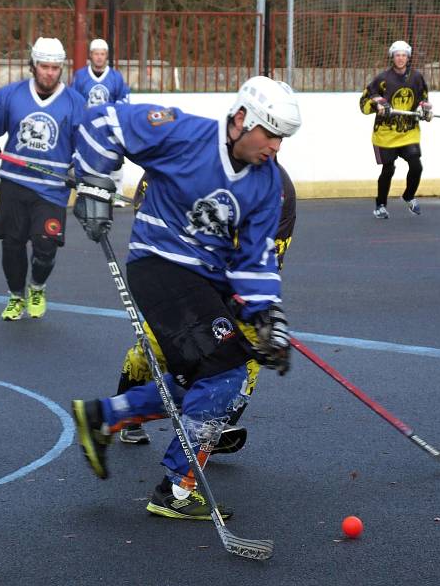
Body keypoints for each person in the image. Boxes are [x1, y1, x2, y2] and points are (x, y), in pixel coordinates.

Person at [70, 75, 301, 520]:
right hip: (159, 264)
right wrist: (96, 182)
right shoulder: (181, 132)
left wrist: (267, 315)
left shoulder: (267, 183)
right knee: (228, 376)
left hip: (204, 281)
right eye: (270, 134)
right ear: (241, 120)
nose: (275, 146)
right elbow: (104, 121)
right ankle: (176, 488)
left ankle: (106, 415)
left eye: (282, 138)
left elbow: (254, 261)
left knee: (212, 376)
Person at [113, 163, 296, 448]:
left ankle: (215, 424)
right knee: (153, 350)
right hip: (183, 280)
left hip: (233, 285)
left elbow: (269, 258)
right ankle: (125, 414)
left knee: (250, 354)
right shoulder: (193, 168)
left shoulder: (282, 192)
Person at [0, 37, 86, 320]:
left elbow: (89, 143)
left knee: (45, 246)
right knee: (12, 244)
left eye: (55, 68)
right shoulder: (13, 95)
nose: (50, 73)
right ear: (33, 65)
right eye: (44, 66)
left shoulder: (75, 102)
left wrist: (77, 170)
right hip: (14, 182)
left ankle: (37, 287)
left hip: (52, 189)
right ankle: (16, 296)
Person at [359, 40, 432, 219]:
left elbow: (423, 100)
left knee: (416, 165)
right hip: (385, 134)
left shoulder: (416, 77)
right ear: (392, 57)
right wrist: (378, 105)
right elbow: (364, 103)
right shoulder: (382, 79)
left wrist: (425, 110)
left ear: (408, 57)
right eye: (397, 55)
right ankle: (381, 205)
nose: (400, 58)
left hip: (408, 131)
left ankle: (409, 196)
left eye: (404, 55)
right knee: (388, 169)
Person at [70, 38, 131, 204]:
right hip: (87, 126)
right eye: (96, 54)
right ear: (91, 55)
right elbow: (74, 100)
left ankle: (117, 193)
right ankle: (82, 193)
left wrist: (115, 118)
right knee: (84, 158)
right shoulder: (81, 76)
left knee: (115, 159)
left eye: (102, 54)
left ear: (106, 56)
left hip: (109, 127)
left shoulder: (115, 77)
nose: (99, 57)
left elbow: (124, 99)